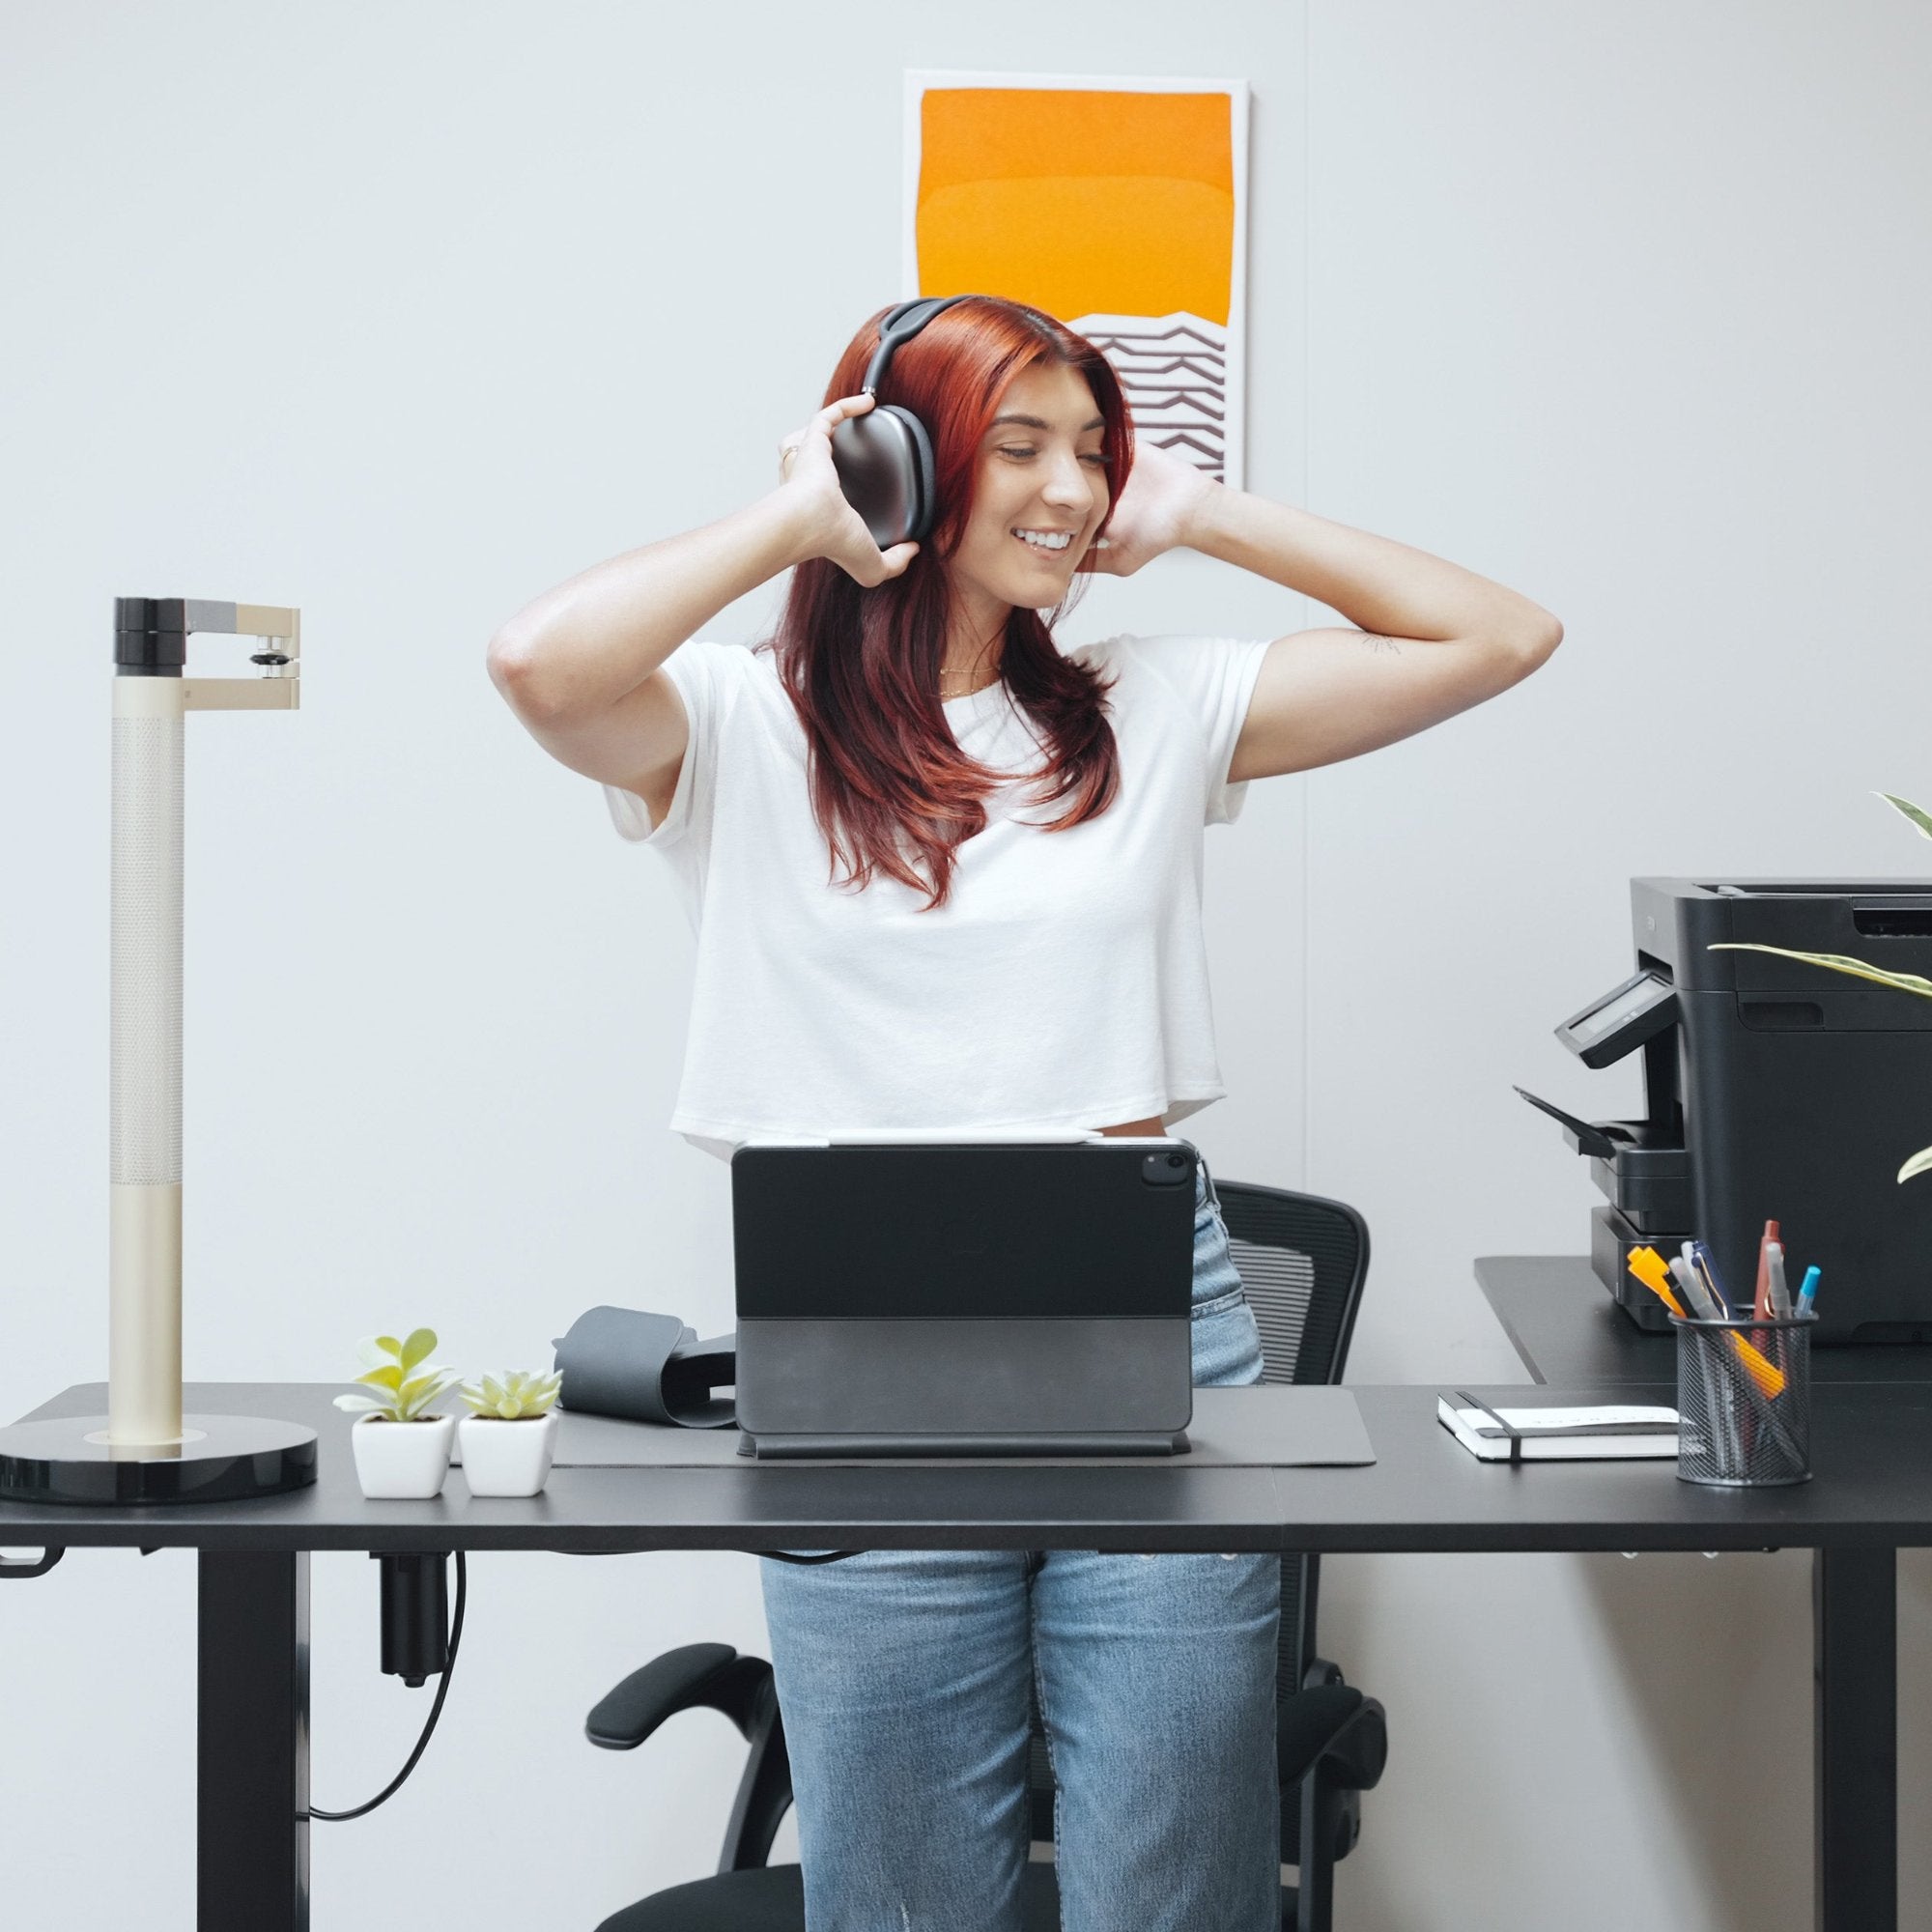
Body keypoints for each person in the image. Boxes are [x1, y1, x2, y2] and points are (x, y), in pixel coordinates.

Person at [487, 295, 1560, 1931]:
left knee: (1170, 1879)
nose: (1073, 490)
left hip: (1150, 1317)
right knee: (904, 1887)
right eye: (1022, 448)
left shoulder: (1147, 704)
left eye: (1094, 450)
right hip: (855, 1346)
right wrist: (799, 513)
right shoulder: (737, 722)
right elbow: (536, 662)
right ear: (902, 466)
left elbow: (1498, 636)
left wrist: (1201, 511)